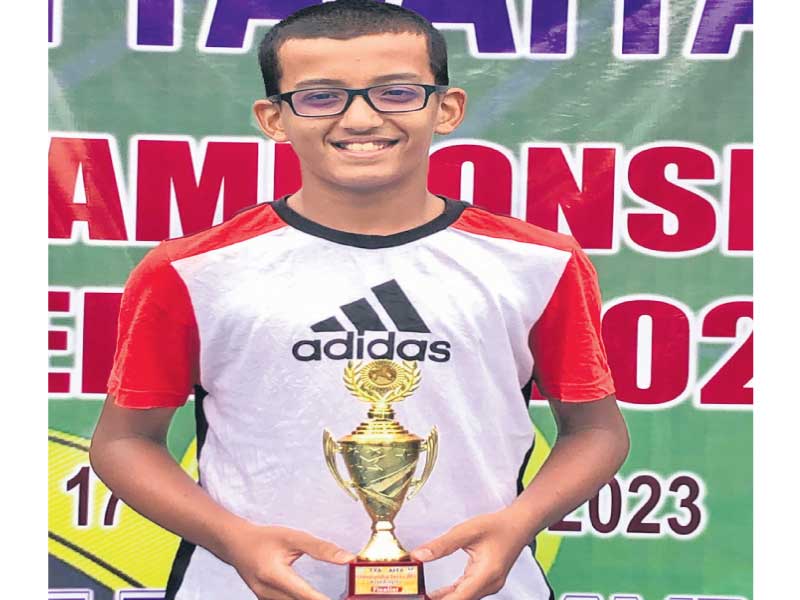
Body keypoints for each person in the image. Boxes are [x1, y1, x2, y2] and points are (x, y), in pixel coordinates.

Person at [89, 1, 630, 599]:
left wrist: (517, 525)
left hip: (472, 587)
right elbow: (124, 442)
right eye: (320, 96)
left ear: (447, 108)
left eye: (397, 92)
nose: (362, 118)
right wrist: (232, 539)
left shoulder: (540, 263)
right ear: (273, 118)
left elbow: (595, 431)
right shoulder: (190, 270)